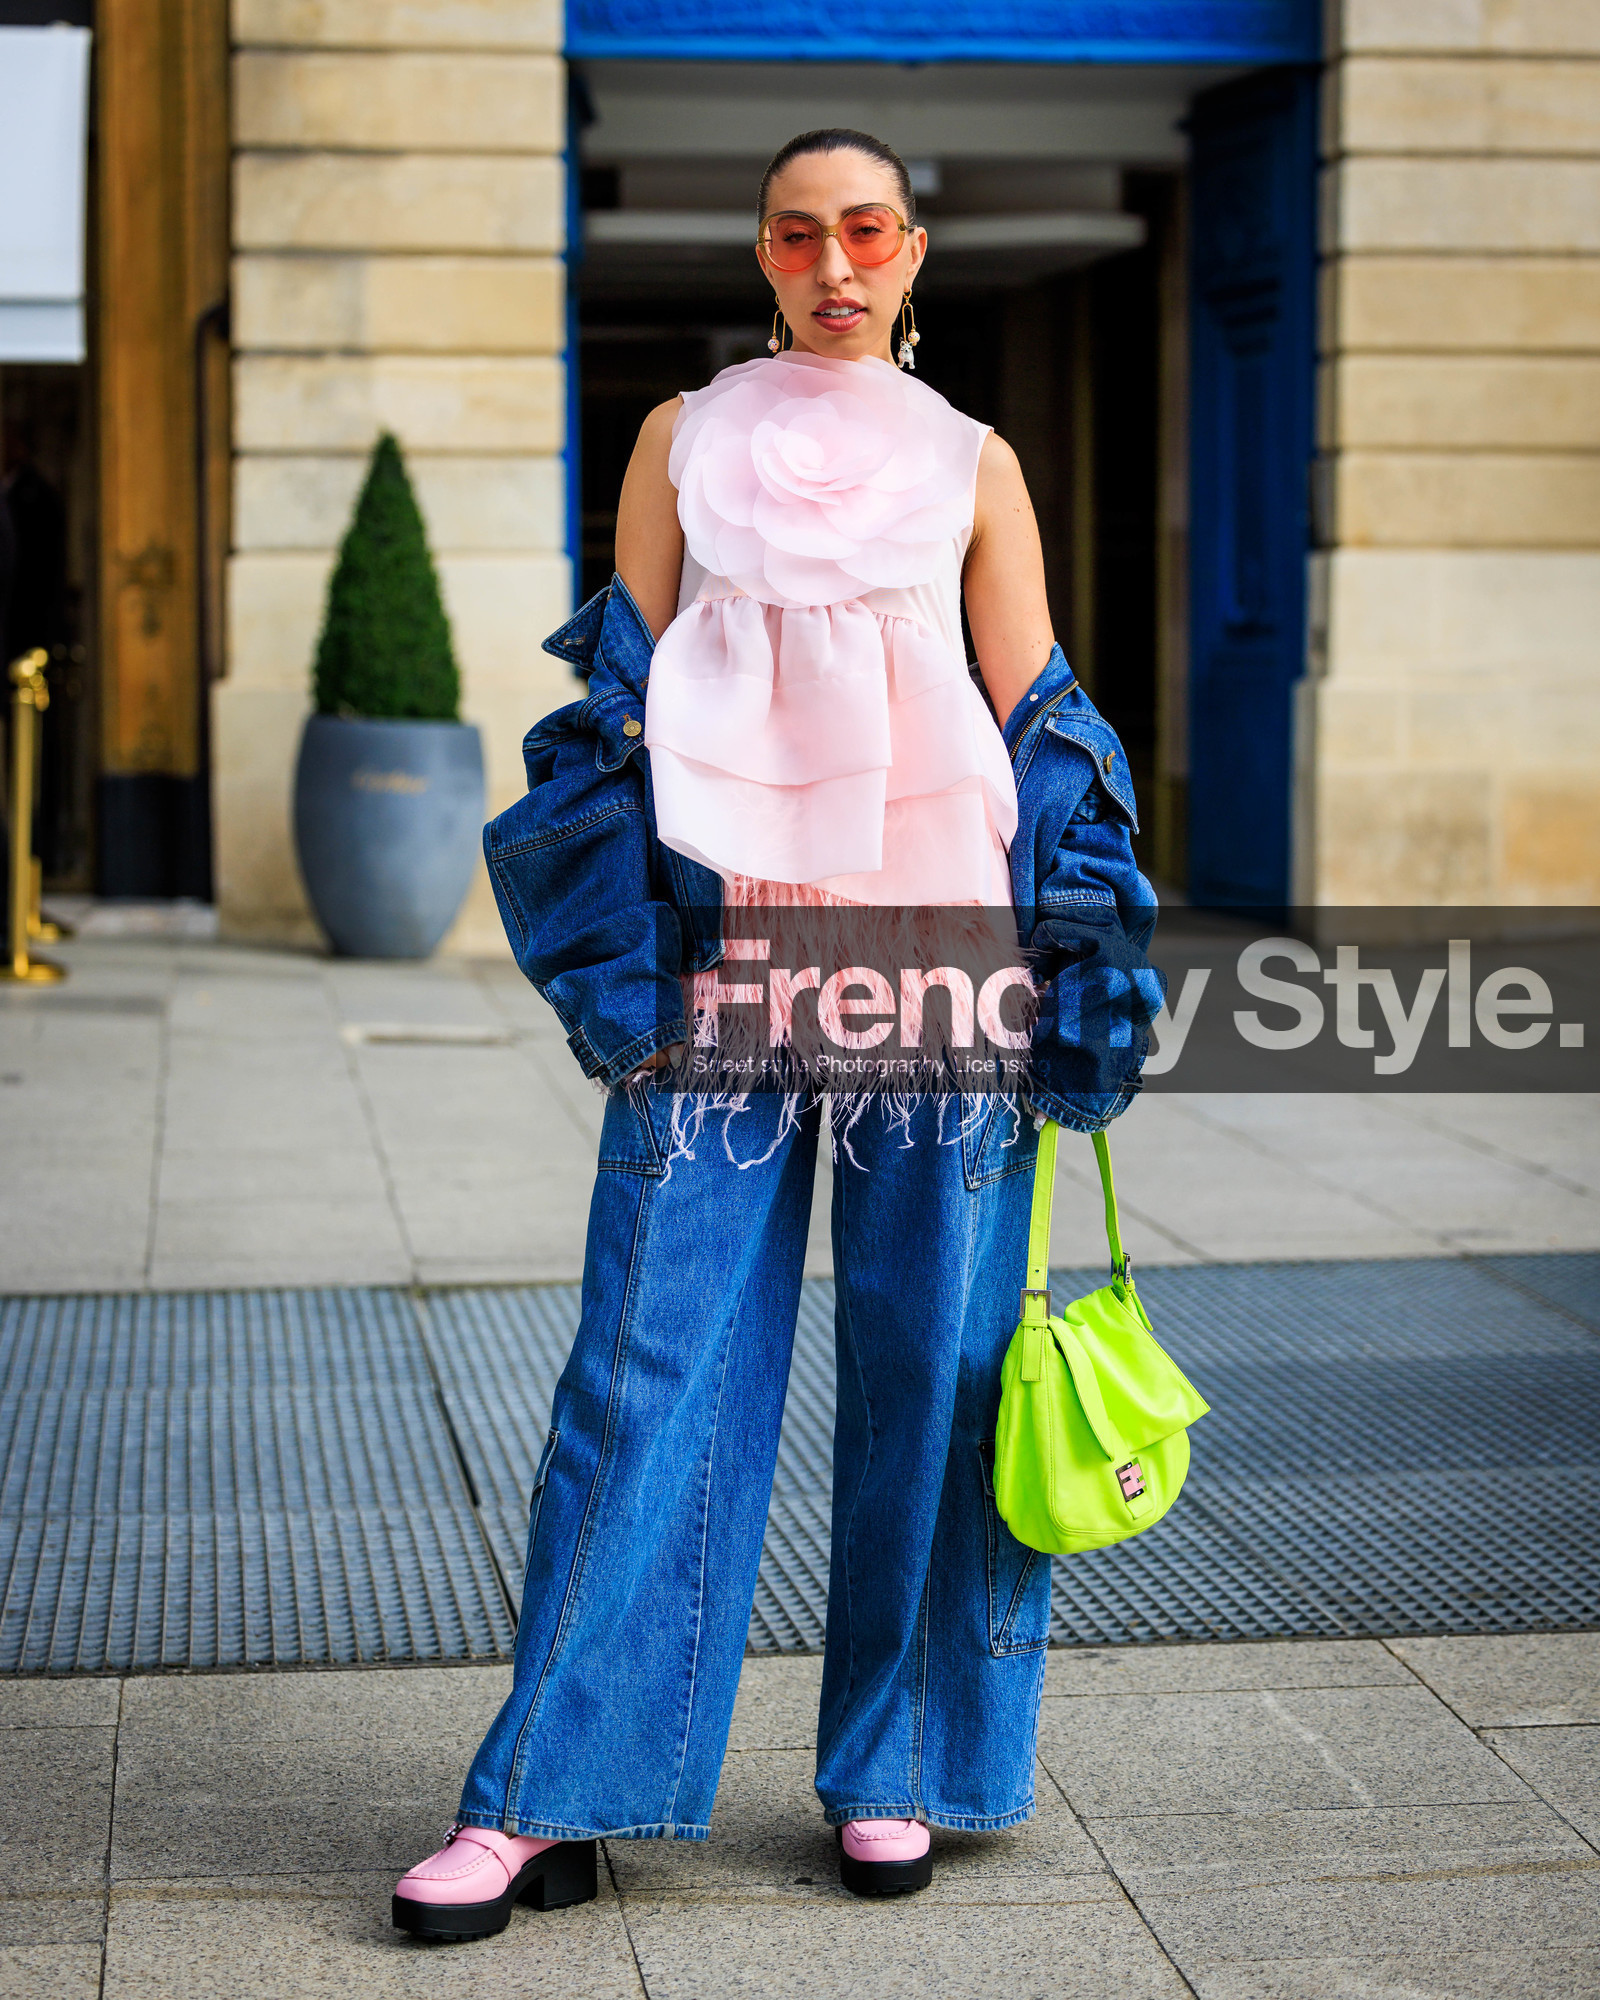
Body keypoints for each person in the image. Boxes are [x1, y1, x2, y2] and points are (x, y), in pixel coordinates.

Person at [393, 128, 1155, 1943]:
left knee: (939, 1368)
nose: (835, 260)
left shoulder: (977, 462)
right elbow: (618, 705)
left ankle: (895, 1765)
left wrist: (1083, 980)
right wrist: (614, 967)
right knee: (644, 1372)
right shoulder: (682, 438)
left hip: (937, 956)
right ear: (762, 252)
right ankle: (542, 1798)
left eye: (867, 230)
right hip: (729, 946)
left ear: (912, 255)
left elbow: (1039, 714)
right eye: (800, 232)